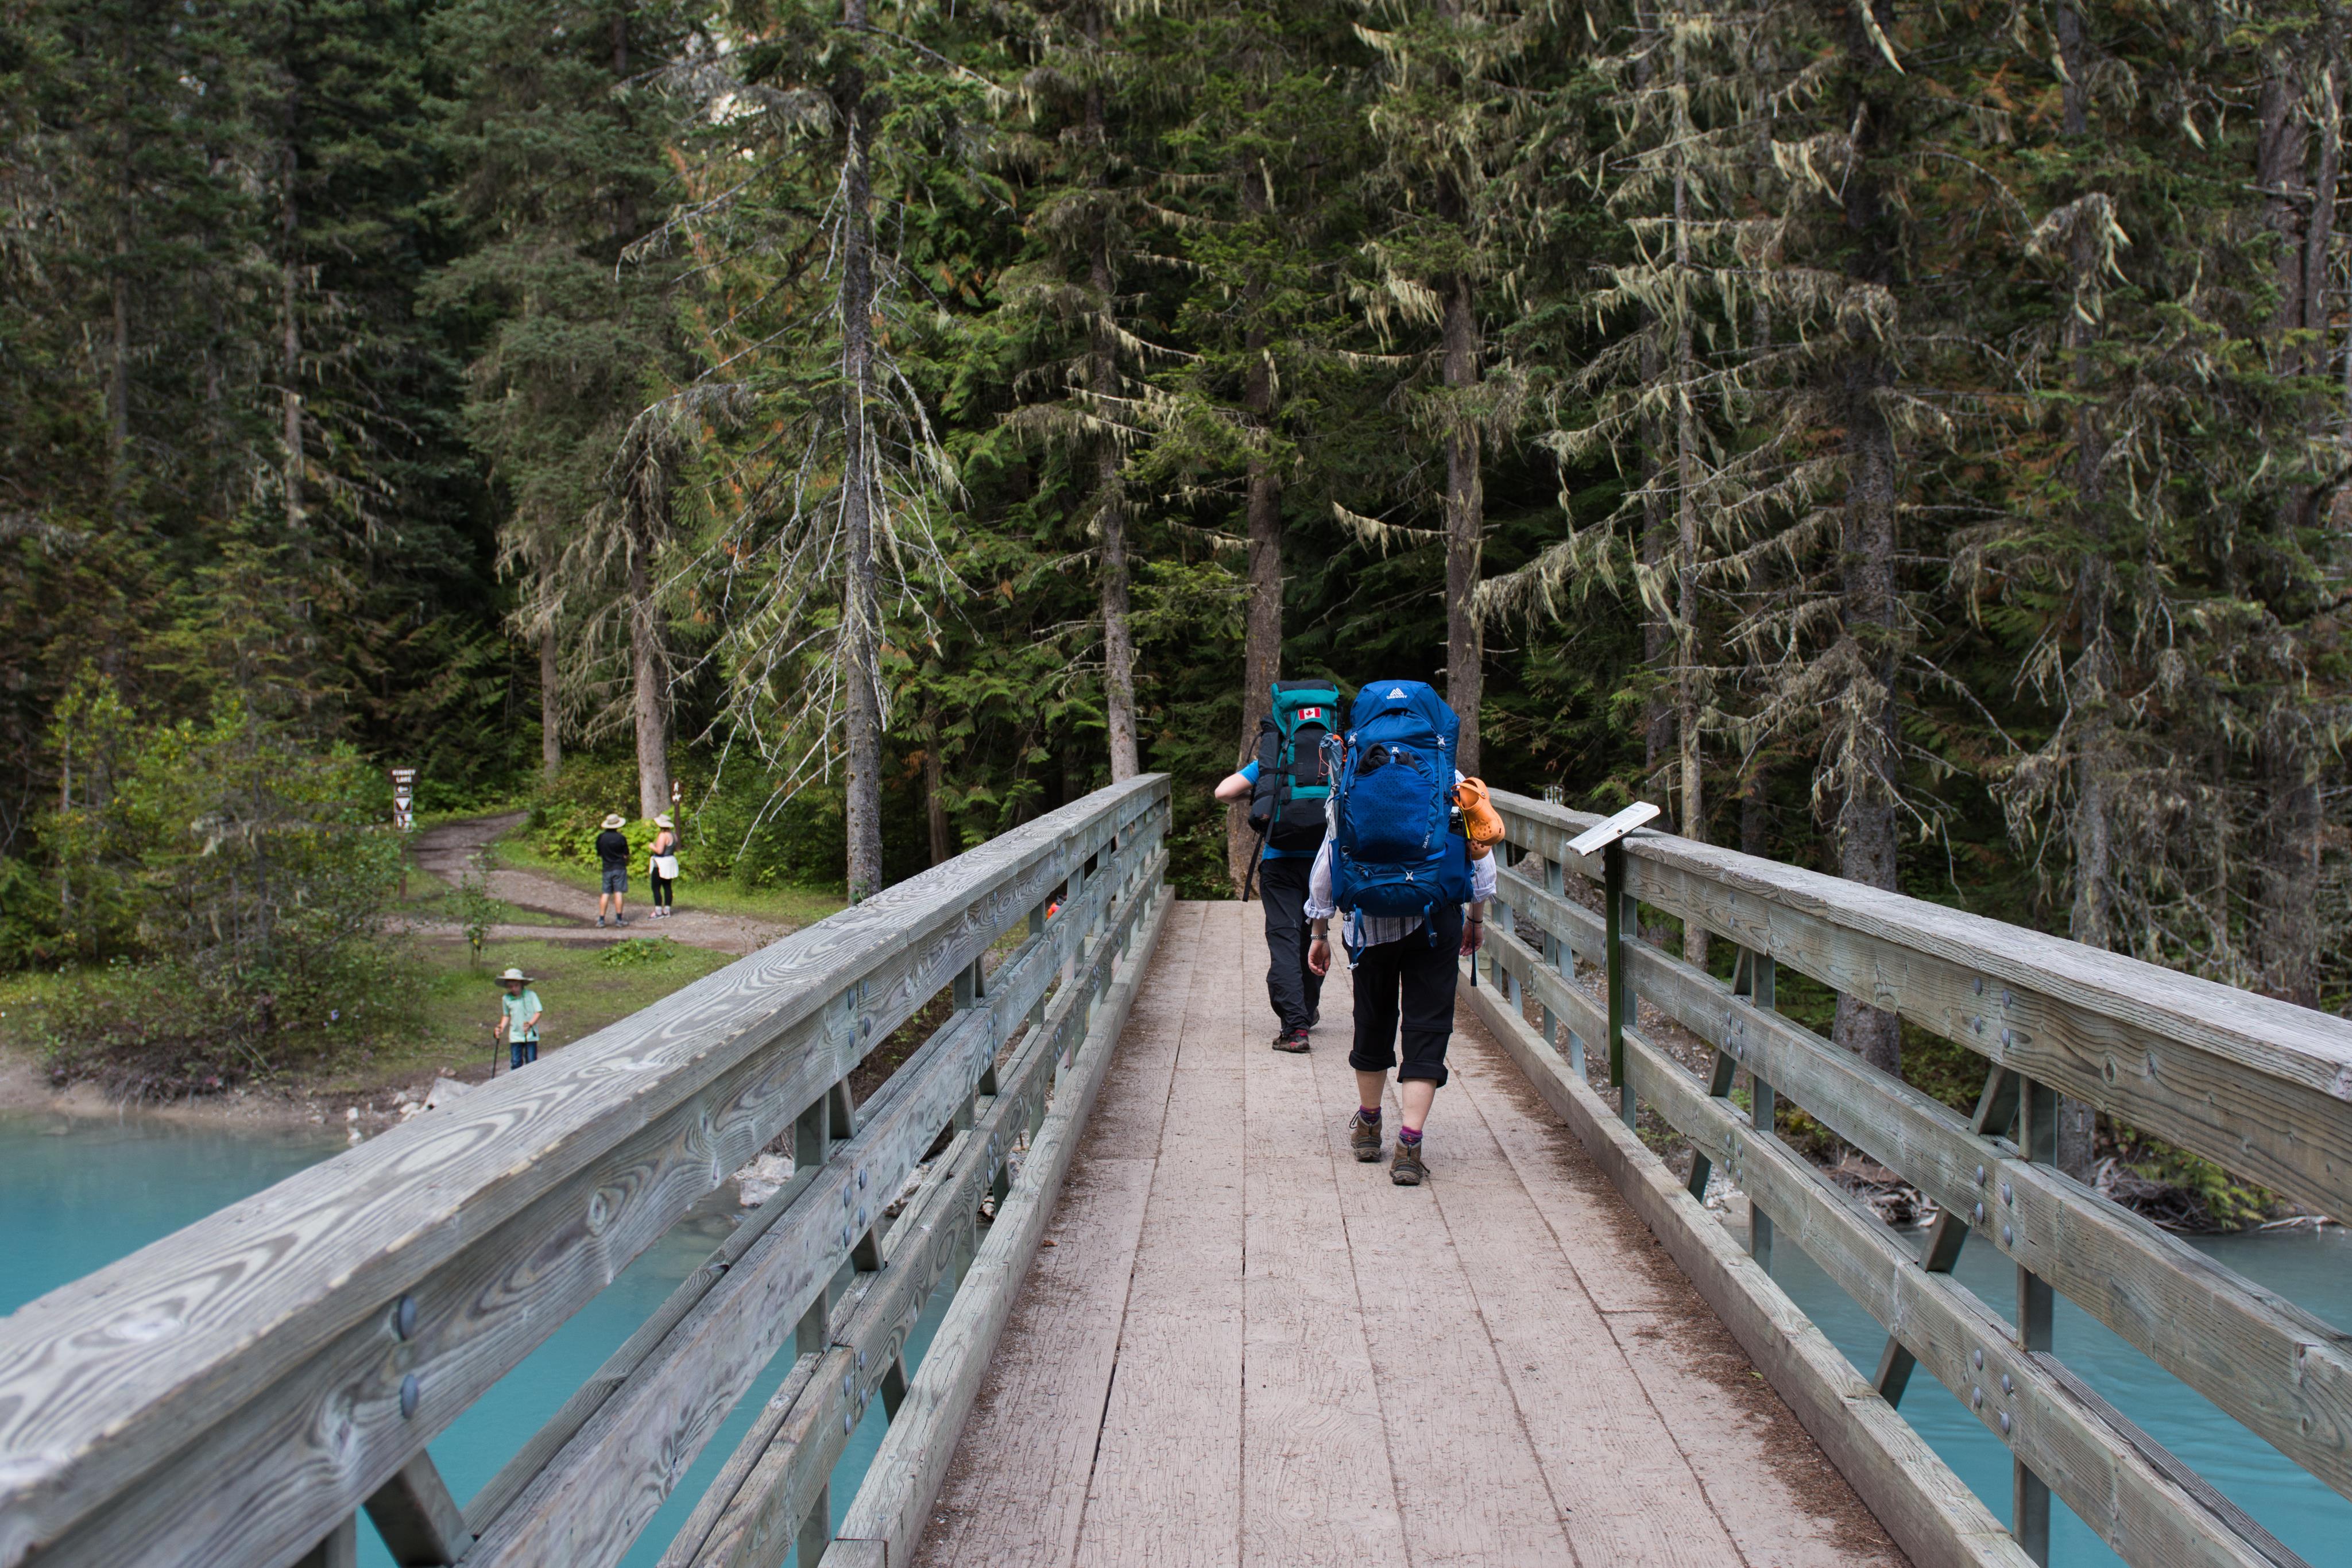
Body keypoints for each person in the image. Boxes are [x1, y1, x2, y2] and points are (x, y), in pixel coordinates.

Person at [1214, 757, 1325, 1052]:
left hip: (1280, 862)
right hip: (1323, 863)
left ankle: (1296, 1027)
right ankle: (1306, 1010)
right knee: (1313, 936)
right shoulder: (1336, 749)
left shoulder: (1275, 754)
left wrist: (1257, 796)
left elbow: (1223, 792)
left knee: (1284, 939)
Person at [493, 967, 543, 1070]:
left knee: (531, 1061)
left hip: (530, 1035)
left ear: (521, 984)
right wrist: (501, 1027)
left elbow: (538, 1012)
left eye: (516, 986)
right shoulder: (506, 999)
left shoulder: (531, 995)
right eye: (511, 986)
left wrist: (530, 1024)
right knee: (516, 1063)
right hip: (515, 1035)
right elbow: (506, 1015)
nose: (514, 989)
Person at [595, 813, 631, 927]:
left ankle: (601, 920)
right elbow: (626, 854)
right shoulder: (621, 838)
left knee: (605, 893)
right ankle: (619, 920)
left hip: (607, 868)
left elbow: (599, 853)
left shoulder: (601, 838)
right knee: (618, 893)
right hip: (619, 867)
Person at [648, 815, 679, 918]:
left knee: (656, 887)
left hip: (661, 863)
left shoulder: (663, 835)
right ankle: (667, 909)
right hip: (670, 861)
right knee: (667, 886)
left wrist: (652, 847)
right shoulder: (673, 834)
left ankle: (658, 911)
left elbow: (660, 851)